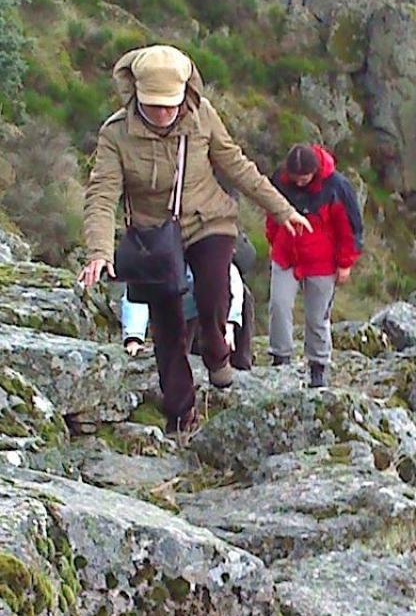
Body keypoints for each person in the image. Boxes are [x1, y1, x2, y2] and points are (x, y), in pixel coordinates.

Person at [81, 45, 310, 433]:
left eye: (170, 105)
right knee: (166, 324)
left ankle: (218, 348)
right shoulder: (115, 135)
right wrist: (99, 251)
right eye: (155, 106)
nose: (165, 114)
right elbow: (102, 194)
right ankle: (180, 411)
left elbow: (236, 166)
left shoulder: (203, 117)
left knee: (212, 290)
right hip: (153, 235)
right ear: (137, 97)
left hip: (209, 219)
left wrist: (282, 209)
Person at [266, 143, 363, 388]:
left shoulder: (336, 187)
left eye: (305, 178)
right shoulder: (280, 179)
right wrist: (272, 240)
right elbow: (272, 211)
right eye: (295, 178)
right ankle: (280, 358)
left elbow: (349, 228)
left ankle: (318, 367)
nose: (299, 183)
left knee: (317, 317)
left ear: (315, 171)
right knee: (278, 305)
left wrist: (345, 264)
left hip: (322, 263)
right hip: (286, 254)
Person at [122, 261, 251, 366]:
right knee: (177, 357)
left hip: (208, 299)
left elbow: (230, 278)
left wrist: (230, 322)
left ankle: (239, 364)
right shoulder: (154, 251)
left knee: (242, 298)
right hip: (171, 304)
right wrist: (134, 337)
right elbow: (137, 291)